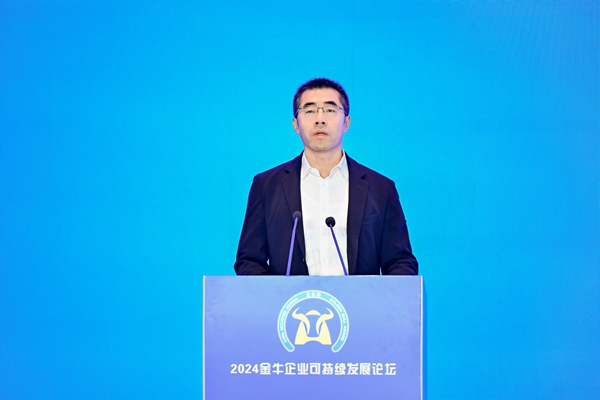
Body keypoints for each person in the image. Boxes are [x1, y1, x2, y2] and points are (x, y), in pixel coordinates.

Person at [234, 78, 418, 276]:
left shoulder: (380, 188)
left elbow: (400, 261)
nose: (320, 119)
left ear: (346, 122)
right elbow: (250, 260)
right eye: (310, 110)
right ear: (296, 125)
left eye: (330, 110)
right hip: (292, 298)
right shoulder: (267, 186)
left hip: (358, 297)